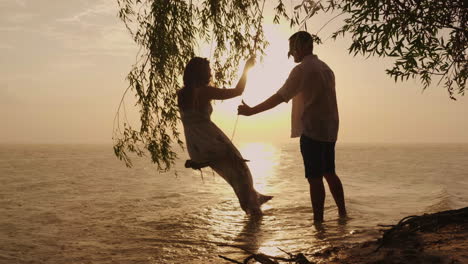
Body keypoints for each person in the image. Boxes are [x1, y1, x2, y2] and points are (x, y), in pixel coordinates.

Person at [237, 31, 346, 223]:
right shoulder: (326, 68)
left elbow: (280, 96)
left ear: (303, 47)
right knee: (329, 172)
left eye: (292, 49)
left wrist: (251, 111)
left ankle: (318, 223)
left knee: (314, 178)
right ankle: (343, 215)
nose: (291, 53)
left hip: (312, 129)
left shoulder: (302, 70)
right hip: (329, 129)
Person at [178, 56, 272, 215]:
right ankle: (253, 209)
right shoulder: (204, 91)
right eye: (208, 71)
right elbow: (238, 91)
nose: (210, 74)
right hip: (210, 141)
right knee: (240, 171)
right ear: (200, 73)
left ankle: (253, 199)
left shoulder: (182, 93)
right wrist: (247, 69)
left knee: (236, 173)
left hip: (196, 145)